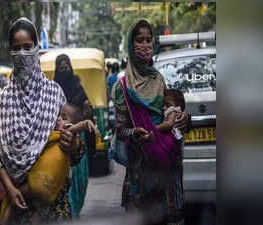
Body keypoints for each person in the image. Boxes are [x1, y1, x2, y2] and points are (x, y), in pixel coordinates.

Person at [0, 18, 82, 225]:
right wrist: (11, 191)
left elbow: (73, 153)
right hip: (20, 208)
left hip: (55, 206)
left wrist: (73, 144)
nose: (22, 54)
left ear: (37, 47)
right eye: (16, 48)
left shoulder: (54, 94)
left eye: (27, 47)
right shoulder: (4, 99)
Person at [111, 20, 190, 225]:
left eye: (148, 40)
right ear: (131, 44)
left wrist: (182, 119)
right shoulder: (122, 87)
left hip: (167, 165)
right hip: (141, 169)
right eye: (139, 40)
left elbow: (169, 113)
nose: (145, 45)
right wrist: (135, 133)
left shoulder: (159, 79)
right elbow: (120, 130)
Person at [54, 54, 92, 219]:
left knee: (80, 178)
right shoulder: (53, 90)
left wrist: (87, 112)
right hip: (61, 138)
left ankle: (76, 208)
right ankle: (69, 213)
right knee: (65, 178)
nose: (64, 70)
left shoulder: (78, 87)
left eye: (66, 67)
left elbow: (87, 112)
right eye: (61, 68)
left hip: (79, 138)